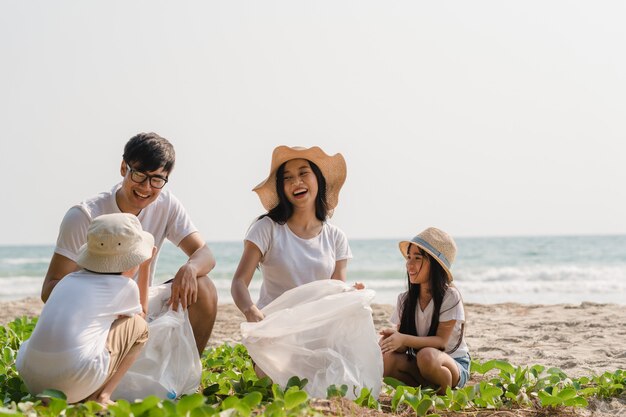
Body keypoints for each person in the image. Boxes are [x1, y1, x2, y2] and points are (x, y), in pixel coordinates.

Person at [41, 132, 217, 354]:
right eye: (139, 175)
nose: (146, 187)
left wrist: (190, 268)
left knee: (205, 287)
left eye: (157, 179)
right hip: (94, 311)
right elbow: (49, 289)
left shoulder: (166, 204)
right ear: (124, 168)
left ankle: (187, 371)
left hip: (140, 305)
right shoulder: (84, 215)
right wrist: (101, 298)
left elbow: (205, 253)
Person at [17, 213, 154, 405]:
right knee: (139, 325)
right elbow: (142, 317)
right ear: (132, 260)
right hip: (71, 382)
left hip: (33, 381)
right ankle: (102, 396)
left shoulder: (66, 281)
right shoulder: (123, 286)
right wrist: (146, 267)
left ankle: (78, 392)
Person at [231, 145, 353, 323]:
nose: (296, 182)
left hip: (317, 326)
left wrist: (351, 292)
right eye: (288, 178)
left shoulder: (336, 237)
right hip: (275, 325)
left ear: (318, 179)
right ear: (282, 188)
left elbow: (336, 292)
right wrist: (251, 310)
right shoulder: (266, 228)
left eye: (303, 173)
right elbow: (239, 282)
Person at [379, 227, 470, 393]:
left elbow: (441, 342)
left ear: (435, 264)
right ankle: (428, 390)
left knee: (426, 356)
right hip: (421, 364)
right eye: (409, 257)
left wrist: (404, 339)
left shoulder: (450, 296)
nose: (410, 264)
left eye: (418, 258)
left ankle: (444, 393)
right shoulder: (404, 299)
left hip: (452, 363)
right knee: (386, 359)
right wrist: (391, 340)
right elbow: (403, 346)